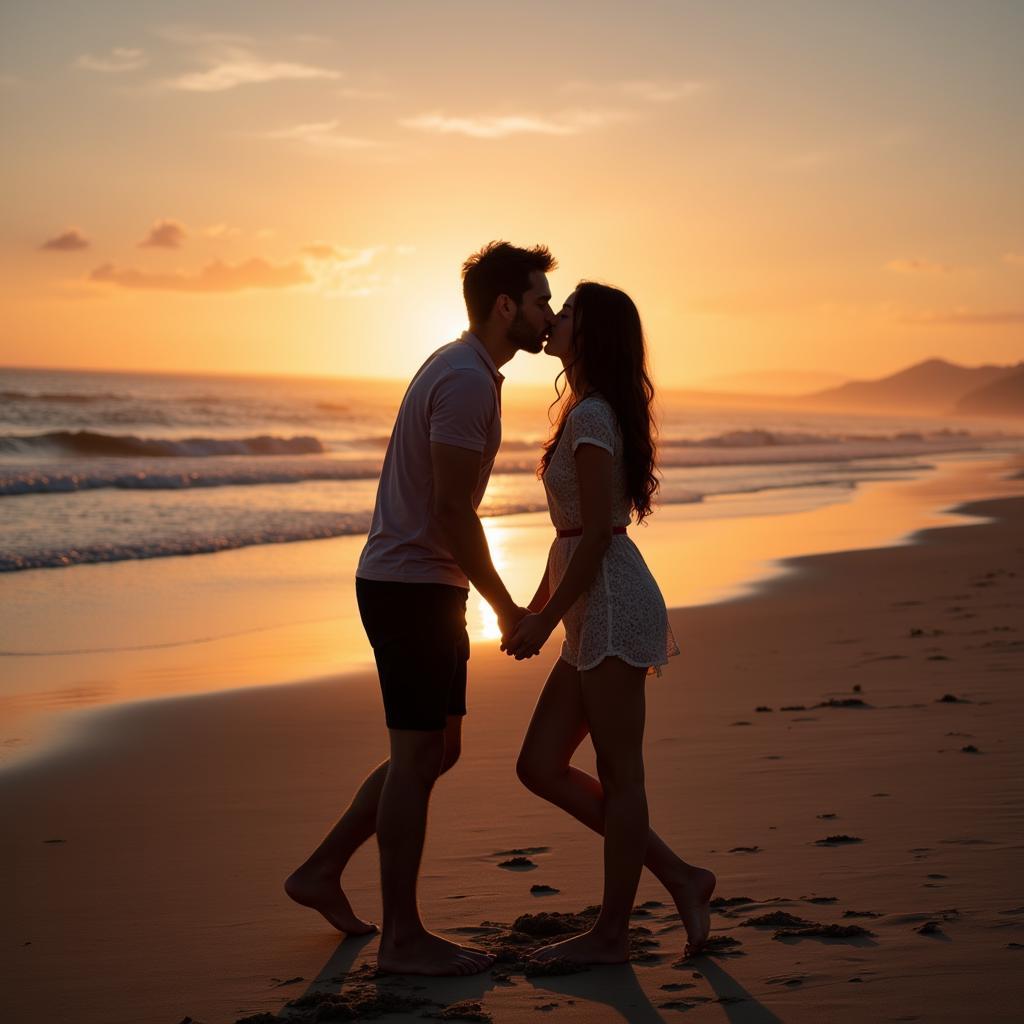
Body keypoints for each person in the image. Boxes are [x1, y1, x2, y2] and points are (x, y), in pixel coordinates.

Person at [285, 241, 557, 976]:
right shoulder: (467, 381)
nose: (549, 315)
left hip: (426, 585)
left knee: (437, 751)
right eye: (540, 301)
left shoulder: (468, 369)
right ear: (506, 306)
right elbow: (450, 512)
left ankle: (321, 871)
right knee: (416, 758)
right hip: (410, 586)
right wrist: (507, 606)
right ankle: (403, 940)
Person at [504, 281, 717, 963]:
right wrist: (536, 610)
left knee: (622, 774)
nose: (554, 319)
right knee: (539, 765)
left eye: (566, 312)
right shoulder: (582, 412)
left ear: (589, 335)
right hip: (590, 604)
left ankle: (612, 934)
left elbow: (596, 536)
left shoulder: (593, 417)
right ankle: (682, 877)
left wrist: (543, 624)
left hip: (615, 604)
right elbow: (569, 536)